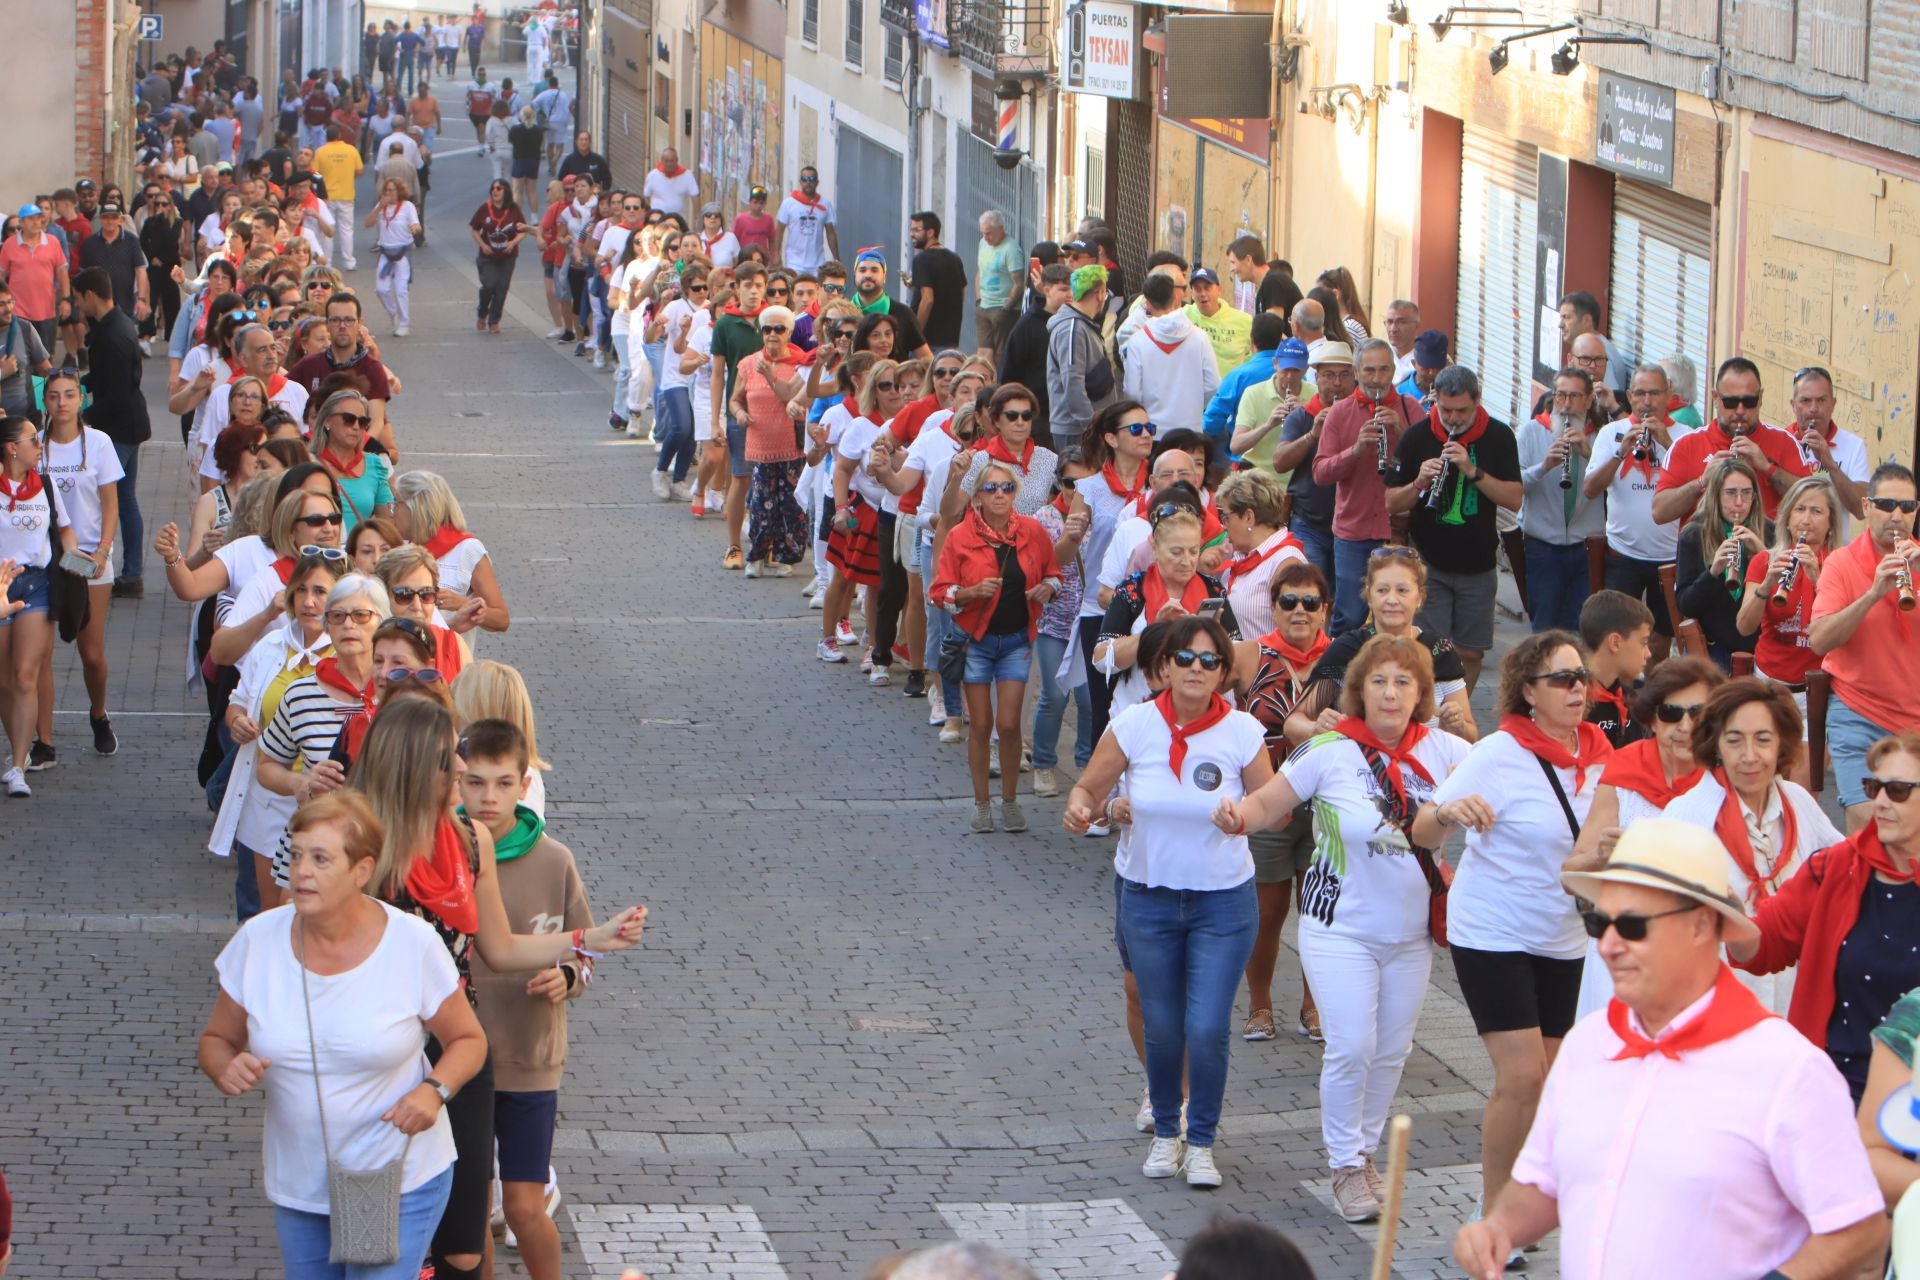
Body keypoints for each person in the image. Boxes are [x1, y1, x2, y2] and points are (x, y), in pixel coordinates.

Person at [1454, 820, 1887, 1280]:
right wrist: (1499, 1227)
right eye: (1599, 922)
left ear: (1701, 925)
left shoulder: (1786, 1067)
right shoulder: (1586, 1043)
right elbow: (1545, 1182)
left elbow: (1859, 1227)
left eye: (1633, 925)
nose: (1609, 946)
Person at [349, 696, 646, 1280]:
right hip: (373, 1054)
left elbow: (501, 947)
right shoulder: (358, 841)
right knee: (370, 1230)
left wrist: (592, 937)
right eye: (452, 767)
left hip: (460, 1049)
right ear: (412, 766)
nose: (463, 778)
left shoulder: (468, 842)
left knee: (463, 1241)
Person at [1219, 634, 1470, 1221]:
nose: (1390, 693)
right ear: (1359, 690)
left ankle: (1366, 1153)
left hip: (1410, 932)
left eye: (1403, 682)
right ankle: (1344, 1165)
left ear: (1421, 694)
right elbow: (1268, 803)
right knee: (1352, 1044)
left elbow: (1502, 788)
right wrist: (1238, 817)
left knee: (1390, 1051)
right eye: (1379, 681)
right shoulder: (1329, 751)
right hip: (1339, 928)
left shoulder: (1447, 752)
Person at [197, 790, 488, 1280]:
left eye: (321, 858)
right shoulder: (258, 941)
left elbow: (469, 1040)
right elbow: (215, 1041)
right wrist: (224, 1066)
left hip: (394, 1177)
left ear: (361, 870)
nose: (301, 870)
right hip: (301, 1184)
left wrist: (433, 1091)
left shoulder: (411, 944)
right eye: (295, 854)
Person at [1411, 630, 1612, 1221]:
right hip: (1492, 929)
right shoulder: (1499, 754)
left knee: (1548, 1082)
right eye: (1562, 680)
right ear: (1529, 691)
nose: (1578, 689)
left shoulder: (1602, 755)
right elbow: (1423, 829)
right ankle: (1492, 1209)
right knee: (1522, 1076)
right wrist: (1448, 812)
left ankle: (1525, 1191)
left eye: (1582, 678)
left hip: (1565, 934)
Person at [1064, 615, 1270, 1189]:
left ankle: (1201, 1142)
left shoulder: (1243, 733)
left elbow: (1272, 800)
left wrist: (1243, 817)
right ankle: (1166, 1130)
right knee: (1161, 1024)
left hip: (1222, 903)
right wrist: (1088, 809)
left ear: (1224, 673)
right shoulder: (1133, 725)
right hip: (1148, 898)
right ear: (1163, 668)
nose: (1196, 670)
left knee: (1205, 1026)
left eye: (1209, 661)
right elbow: (1089, 788)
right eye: (1185, 658)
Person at [456, 718, 583, 1280]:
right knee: (473, 1212)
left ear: (525, 783)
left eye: (503, 783)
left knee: (526, 1206)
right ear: (456, 783)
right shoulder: (444, 853)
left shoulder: (555, 859)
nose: (489, 797)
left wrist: (569, 978)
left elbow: (582, 949)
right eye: (476, 783)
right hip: (463, 1060)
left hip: (532, 1058)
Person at [1564, 656, 1724, 1020]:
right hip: (1625, 941)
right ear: (1652, 719)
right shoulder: (1623, 771)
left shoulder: (1724, 781)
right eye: (1671, 712)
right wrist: (1601, 857)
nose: (1685, 725)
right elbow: (1570, 872)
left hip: (1697, 947)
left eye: (1698, 712)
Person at [211, 551, 347, 920]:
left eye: (320, 591)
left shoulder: (348, 654)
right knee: (268, 915)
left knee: (312, 912)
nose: (309, 601)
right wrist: (237, 720)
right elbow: (237, 702)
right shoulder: (270, 647)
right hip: (269, 797)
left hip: (325, 803)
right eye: (300, 590)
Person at [930, 459, 1061, 832]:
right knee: (981, 725)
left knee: (1007, 724)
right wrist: (970, 592)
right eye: (991, 489)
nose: (1000, 495)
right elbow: (939, 592)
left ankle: (1010, 800)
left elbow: (1055, 574)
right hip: (976, 642)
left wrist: (1047, 588)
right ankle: (981, 803)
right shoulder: (960, 536)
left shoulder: (1032, 531)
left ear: (1016, 493)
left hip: (1017, 640)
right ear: (977, 498)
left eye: (1007, 488)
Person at [1387, 363, 1522, 688]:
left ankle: (1455, 714)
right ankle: (1430, 717)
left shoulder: (1499, 435)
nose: (1453, 418)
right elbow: (1390, 502)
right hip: (1428, 564)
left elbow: (1514, 499)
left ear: (1477, 399)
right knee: (1427, 650)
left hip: (1478, 567)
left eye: (1462, 410)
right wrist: (1418, 483)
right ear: (1434, 398)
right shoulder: (1418, 435)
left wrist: (1472, 470)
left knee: (1470, 653)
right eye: (1446, 409)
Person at [1810, 462, 1920, 832]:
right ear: (1867, 506)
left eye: (1907, 507)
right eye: (1887, 504)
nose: (1897, 515)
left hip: (1915, 721)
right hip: (1859, 713)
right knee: (1867, 822)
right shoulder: (1841, 563)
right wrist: (1873, 595)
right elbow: (1820, 639)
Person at [1289, 546, 1475, 741]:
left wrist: (1456, 727)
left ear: (1419, 596)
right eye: (1382, 590)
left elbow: (1471, 735)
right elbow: (1294, 722)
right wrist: (1316, 728)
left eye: (1402, 590)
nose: (1392, 600)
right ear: (1369, 596)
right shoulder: (1348, 649)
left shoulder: (1439, 651)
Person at [32, 370, 123, 761]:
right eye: (54, 396)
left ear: (82, 399)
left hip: (90, 556)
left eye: (69, 395)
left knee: (92, 654)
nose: (62, 403)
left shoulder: (99, 442)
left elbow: (110, 503)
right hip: (46, 558)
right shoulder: (34, 445)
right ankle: (44, 740)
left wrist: (103, 550)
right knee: (40, 656)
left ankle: (99, 713)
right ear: (45, 402)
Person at [1586, 362, 1696, 664]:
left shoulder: (1686, 435)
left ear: (1669, 394)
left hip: (1671, 556)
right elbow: (1591, 489)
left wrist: (1667, 445)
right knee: (1619, 635)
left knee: (1661, 639)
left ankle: (1650, 694)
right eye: (1641, 393)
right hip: (1623, 555)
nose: (1648, 401)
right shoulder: (1612, 433)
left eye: (1655, 393)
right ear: (1630, 396)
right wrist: (1620, 454)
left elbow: (1700, 488)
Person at [1312, 341, 1423, 633]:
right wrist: (1356, 449)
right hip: (1354, 531)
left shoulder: (1410, 409)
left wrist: (1402, 432)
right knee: (1349, 617)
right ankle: (1342, 677)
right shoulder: (1340, 413)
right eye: (1370, 370)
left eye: (1384, 369)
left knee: (1399, 616)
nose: (1377, 378)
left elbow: (1429, 463)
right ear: (1357, 373)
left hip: (1398, 529)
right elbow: (1320, 473)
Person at [1094, 509, 1238, 719]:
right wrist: (1153, 632)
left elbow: (1236, 660)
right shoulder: (1134, 589)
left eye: (1193, 551)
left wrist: (1216, 637)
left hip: (1199, 716)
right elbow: (1101, 659)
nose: (1186, 561)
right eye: (1176, 552)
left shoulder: (1213, 591)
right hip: (1137, 714)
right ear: (1155, 548)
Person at [0, 417, 74, 797]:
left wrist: (80, 561)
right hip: (1, 586)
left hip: (39, 583)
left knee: (25, 675)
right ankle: (18, 745)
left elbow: (64, 530)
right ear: (11, 448)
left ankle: (17, 764)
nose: (39, 444)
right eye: (32, 439)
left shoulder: (43, 484)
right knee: (4, 680)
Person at [1652, 356, 1809, 525]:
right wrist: (1702, 482)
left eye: (1749, 401)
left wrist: (1768, 469)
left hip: (1765, 549)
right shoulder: (1687, 444)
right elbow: (1660, 513)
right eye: (1731, 402)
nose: (1740, 410)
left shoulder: (1784, 441)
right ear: (1715, 398)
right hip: (1706, 550)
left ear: (1761, 398)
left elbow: (1811, 500)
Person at [72, 267, 151, 599]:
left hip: (117, 431)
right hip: (129, 426)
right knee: (126, 500)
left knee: (106, 501)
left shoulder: (112, 335)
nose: (78, 306)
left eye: (79, 299)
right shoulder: (116, 325)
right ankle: (131, 574)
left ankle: (94, 568)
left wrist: (80, 418)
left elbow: (115, 394)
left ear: (91, 295)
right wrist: (78, 384)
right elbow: (107, 379)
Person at [1515, 367, 1607, 632]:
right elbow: (1513, 486)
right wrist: (1544, 466)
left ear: (1589, 400)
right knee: (1543, 629)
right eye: (1561, 396)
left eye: (1575, 396)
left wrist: (1590, 454)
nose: (1567, 405)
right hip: (1543, 548)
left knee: (1582, 629)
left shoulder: (1602, 436)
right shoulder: (1531, 432)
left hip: (1587, 547)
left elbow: (1615, 487)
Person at [1736, 474, 1839, 707]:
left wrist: (1817, 580)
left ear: (1831, 521)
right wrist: (1766, 584)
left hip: (1821, 690)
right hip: (1767, 686)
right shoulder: (1765, 561)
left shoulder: (1840, 563)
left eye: (1816, 511)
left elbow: (1841, 632)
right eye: (1799, 509)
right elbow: (1744, 626)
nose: (1806, 519)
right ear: (1787, 518)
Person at [728, 304, 810, 576]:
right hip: (760, 444)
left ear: (789, 333)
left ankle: (786, 558)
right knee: (762, 504)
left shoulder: (801, 363)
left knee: (791, 506)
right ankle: (757, 556)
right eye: (767, 329)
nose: (772, 334)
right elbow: (735, 399)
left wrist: (770, 374)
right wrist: (740, 414)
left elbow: (789, 396)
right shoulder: (749, 363)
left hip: (792, 446)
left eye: (779, 329)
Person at [1674, 458, 1770, 670]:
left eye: (1746, 493)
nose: (1739, 502)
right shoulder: (1694, 535)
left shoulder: (1769, 532)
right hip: (1713, 650)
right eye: (1730, 493)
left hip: (1760, 647)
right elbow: (1686, 606)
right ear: (1715, 495)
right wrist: (1714, 571)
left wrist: (1763, 556)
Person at [391, 470, 510, 634]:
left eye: (396, 503)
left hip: (452, 657)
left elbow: (501, 619)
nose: (392, 511)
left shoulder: (467, 550)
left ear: (417, 507)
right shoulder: (396, 549)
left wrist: (462, 605)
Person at [1121, 273, 1218, 434]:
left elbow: (1132, 391)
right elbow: (1213, 385)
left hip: (1152, 431)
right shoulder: (1200, 337)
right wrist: (1193, 411)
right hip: (1191, 429)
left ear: (1147, 302)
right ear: (1175, 299)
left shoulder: (1137, 341)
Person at [1213, 470, 1303, 639]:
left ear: (1248, 517)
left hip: (1264, 664)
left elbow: (1295, 637)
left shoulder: (1287, 564)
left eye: (1225, 517)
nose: (1223, 526)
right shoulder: (1238, 554)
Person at [1045, 265, 1116, 455]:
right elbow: (1073, 383)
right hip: (1076, 430)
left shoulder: (1082, 325)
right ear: (1100, 293)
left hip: (1084, 428)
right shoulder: (1073, 328)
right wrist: (1092, 427)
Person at [1784, 366, 1868, 520]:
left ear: (1833, 404)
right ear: (1793, 405)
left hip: (1836, 544)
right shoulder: (1781, 441)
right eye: (1805, 401)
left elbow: (1861, 511)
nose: (1813, 409)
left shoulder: (1854, 445)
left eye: (1821, 400)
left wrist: (1829, 463)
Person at [311, 388, 394, 536]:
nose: (356, 427)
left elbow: (387, 525)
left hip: (358, 555)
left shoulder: (374, 464)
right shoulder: (308, 463)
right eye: (348, 419)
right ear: (327, 421)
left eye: (362, 422)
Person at [1220, 326, 1300, 468]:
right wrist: (1268, 425)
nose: (1290, 376)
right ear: (1275, 363)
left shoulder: (1314, 393)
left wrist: (1305, 416)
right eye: (1285, 369)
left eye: (1296, 371)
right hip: (1257, 476)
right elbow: (1236, 446)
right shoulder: (1252, 393)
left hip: (1295, 479)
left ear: (1306, 367)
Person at [362, 179, 420, 337]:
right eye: (386, 190)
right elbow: (367, 223)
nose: (388, 193)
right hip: (386, 253)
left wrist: (414, 228)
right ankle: (393, 312)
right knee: (381, 289)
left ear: (399, 191)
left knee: (401, 290)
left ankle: (404, 323)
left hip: (402, 253)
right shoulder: (381, 207)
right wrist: (380, 206)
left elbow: (416, 224)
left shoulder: (407, 206)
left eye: (392, 190)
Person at [469, 180, 528, 336]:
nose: (495, 191)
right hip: (488, 256)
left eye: (499, 188)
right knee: (489, 285)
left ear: (506, 191)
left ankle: (494, 320)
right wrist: (483, 245)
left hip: (507, 256)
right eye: (493, 188)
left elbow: (523, 230)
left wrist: (513, 243)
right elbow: (474, 229)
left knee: (502, 287)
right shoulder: (485, 208)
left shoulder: (514, 209)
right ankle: (482, 312)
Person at [907, 211, 966, 352]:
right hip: (950, 340)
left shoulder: (921, 259)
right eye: (911, 229)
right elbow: (961, 292)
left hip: (928, 342)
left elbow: (928, 300)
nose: (911, 234)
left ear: (930, 232)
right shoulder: (955, 258)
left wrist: (917, 336)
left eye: (916, 230)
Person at [1182, 267, 1251, 376]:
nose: (1203, 294)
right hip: (1194, 391)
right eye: (1198, 289)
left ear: (1219, 290)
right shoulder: (1183, 317)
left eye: (1207, 288)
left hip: (1230, 391)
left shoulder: (1244, 321)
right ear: (1192, 294)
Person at [313, 125, 364, 270]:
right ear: (340, 135)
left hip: (327, 197)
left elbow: (315, 173)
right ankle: (349, 262)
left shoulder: (321, 152)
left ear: (326, 136)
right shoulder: (351, 150)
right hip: (347, 194)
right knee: (347, 229)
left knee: (328, 230)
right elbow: (360, 171)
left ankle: (327, 262)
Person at [973, 210, 1021, 362]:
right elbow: (980, 272)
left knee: (1001, 354)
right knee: (983, 354)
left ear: (1001, 229)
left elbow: (1018, 283)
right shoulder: (983, 244)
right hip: (984, 306)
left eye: (989, 233)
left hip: (1002, 307)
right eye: (983, 233)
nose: (986, 238)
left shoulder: (1011, 249)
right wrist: (979, 299)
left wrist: (1006, 308)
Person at [776, 167, 838, 275]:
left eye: (812, 179)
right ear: (800, 182)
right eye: (805, 179)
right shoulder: (788, 203)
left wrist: (836, 258)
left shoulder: (825, 204)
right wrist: (776, 255)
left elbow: (830, 232)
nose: (808, 182)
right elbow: (779, 231)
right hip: (794, 263)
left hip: (817, 264)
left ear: (817, 182)